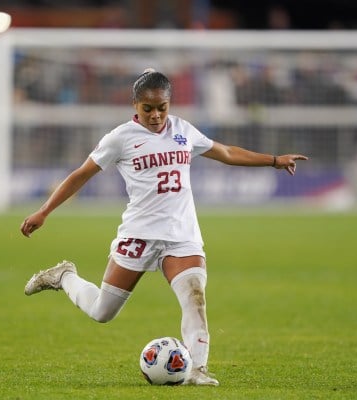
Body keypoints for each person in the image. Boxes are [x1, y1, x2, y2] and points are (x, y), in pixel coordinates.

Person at [20, 68, 308, 386]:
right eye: (148, 108)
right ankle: (64, 275)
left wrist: (274, 160)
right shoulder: (119, 138)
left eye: (162, 107)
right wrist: (44, 211)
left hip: (181, 236)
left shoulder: (183, 130)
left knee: (194, 297)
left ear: (169, 104)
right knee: (103, 311)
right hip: (139, 235)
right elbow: (80, 174)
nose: (156, 115)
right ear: (135, 106)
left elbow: (226, 152)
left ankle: (197, 369)